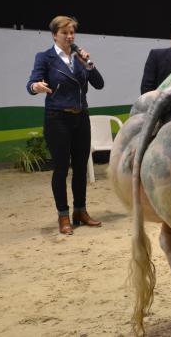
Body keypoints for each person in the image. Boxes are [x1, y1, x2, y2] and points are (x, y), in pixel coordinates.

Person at [25, 16, 105, 235]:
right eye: (65, 33)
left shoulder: (80, 58)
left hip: (81, 117)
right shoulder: (45, 57)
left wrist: (88, 64)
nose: (70, 37)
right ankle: (63, 215)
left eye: (72, 33)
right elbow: (31, 83)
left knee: (80, 168)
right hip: (57, 118)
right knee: (61, 168)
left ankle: (80, 211)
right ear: (54, 35)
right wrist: (36, 86)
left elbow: (99, 84)